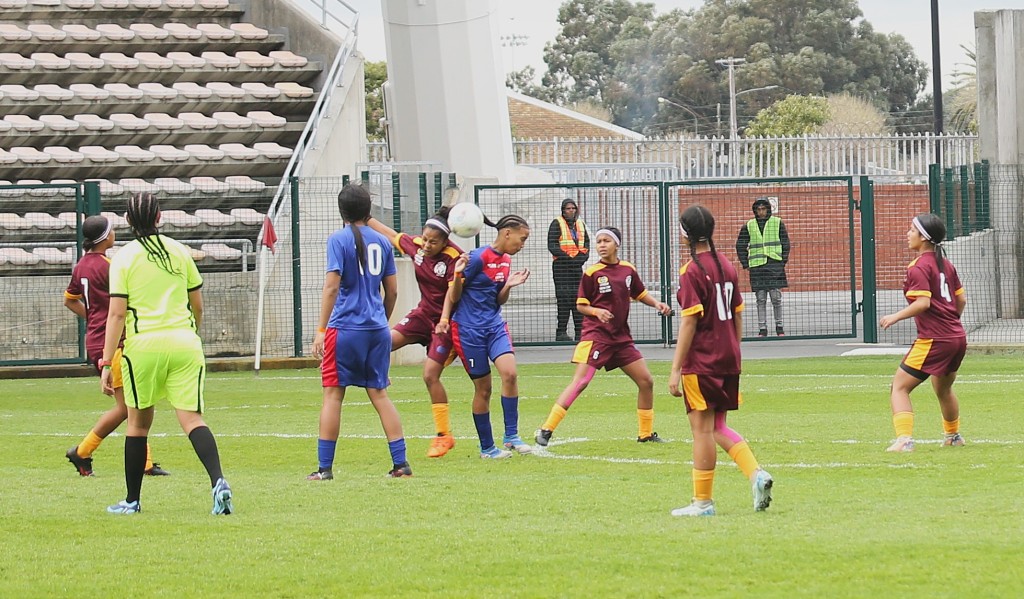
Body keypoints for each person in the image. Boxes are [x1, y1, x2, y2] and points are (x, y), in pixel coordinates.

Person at [100, 192, 232, 515]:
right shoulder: (179, 251)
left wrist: (105, 362)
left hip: (143, 347)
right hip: (184, 343)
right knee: (192, 419)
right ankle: (218, 481)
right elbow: (197, 304)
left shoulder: (123, 259)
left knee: (138, 424)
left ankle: (132, 501)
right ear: (159, 217)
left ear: (127, 221)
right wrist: (190, 332)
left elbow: (116, 314)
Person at [668, 204, 773, 517]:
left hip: (702, 360)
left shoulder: (691, 271)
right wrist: (733, 349)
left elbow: (689, 322)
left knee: (701, 431)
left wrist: (675, 368)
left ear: (685, 233)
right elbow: (738, 313)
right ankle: (756, 474)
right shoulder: (727, 265)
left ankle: (703, 503)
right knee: (718, 426)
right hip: (728, 357)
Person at [308, 183, 411, 480]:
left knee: (333, 395)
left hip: (344, 328)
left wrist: (321, 329)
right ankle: (401, 464)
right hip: (376, 329)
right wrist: (381, 321)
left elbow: (331, 287)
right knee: (379, 394)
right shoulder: (383, 242)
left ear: (341, 211)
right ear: (369, 211)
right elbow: (392, 291)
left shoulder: (338, 240)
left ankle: (325, 469)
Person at [535, 226, 672, 447]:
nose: (601, 245)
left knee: (646, 381)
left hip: (621, 339)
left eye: (606, 241)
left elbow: (639, 293)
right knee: (581, 382)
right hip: (597, 337)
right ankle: (546, 429)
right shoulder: (592, 273)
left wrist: (657, 303)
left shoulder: (627, 269)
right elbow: (581, 305)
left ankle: (645, 434)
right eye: (599, 241)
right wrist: (596, 311)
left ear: (617, 244)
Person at [63, 215, 168, 478]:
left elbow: (70, 300)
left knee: (133, 402)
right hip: (114, 343)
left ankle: (145, 463)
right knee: (126, 407)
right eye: (111, 231)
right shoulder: (110, 266)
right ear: (105, 237)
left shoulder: (81, 266)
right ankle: (83, 451)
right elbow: (126, 301)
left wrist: (94, 318)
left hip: (95, 340)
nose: (114, 234)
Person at [367, 207, 462, 458]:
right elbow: (391, 235)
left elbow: (453, 295)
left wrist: (444, 320)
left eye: (434, 242)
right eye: (425, 239)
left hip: (445, 324)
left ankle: (444, 435)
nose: (427, 245)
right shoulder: (417, 246)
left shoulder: (455, 257)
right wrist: (365, 218)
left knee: (430, 375)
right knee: (382, 342)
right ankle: (380, 377)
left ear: (446, 241)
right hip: (422, 315)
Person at [439, 212, 533, 459]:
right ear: (507, 233)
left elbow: (498, 299)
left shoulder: (506, 261)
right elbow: (454, 295)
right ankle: (487, 448)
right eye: (522, 239)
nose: (522, 245)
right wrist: (457, 276)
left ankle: (511, 436)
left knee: (510, 374)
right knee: (484, 389)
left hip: (494, 326)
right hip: (468, 330)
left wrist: (508, 286)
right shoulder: (477, 258)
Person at [879, 213, 967, 452]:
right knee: (943, 388)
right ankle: (953, 436)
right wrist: (950, 323)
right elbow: (961, 300)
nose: (908, 234)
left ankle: (904, 440)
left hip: (934, 339)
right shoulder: (946, 264)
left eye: (912, 230)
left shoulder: (918, 266)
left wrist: (894, 316)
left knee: (899, 387)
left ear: (924, 237)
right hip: (956, 337)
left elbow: (923, 303)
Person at [736, 197, 791, 337]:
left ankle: (779, 327)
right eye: (758, 209)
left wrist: (782, 261)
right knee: (760, 298)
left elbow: (785, 243)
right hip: (757, 266)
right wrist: (746, 263)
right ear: (755, 211)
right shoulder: (749, 225)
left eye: (763, 209)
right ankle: (762, 328)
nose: (761, 212)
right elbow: (740, 245)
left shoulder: (777, 223)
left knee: (776, 297)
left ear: (768, 209)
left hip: (774, 265)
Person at [548, 198, 590, 341]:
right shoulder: (557, 223)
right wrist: (568, 258)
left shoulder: (580, 224)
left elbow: (586, 244)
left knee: (578, 298)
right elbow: (552, 245)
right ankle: (561, 332)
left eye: (573, 208)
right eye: (568, 208)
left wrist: (580, 259)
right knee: (563, 299)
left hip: (576, 267)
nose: (571, 211)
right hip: (561, 268)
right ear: (563, 210)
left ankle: (580, 332)